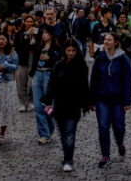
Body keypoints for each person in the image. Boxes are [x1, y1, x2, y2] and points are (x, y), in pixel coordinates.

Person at [41, 40, 90, 173]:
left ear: (77, 51)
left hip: (74, 104)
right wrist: (48, 100)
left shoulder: (81, 66)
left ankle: (68, 159)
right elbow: (52, 83)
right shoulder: (58, 65)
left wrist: (87, 103)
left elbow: (85, 86)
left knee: (70, 133)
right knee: (63, 133)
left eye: (73, 51)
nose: (71, 53)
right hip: (59, 104)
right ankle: (67, 155)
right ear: (65, 51)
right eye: (68, 51)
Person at [90, 32, 131, 168]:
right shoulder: (99, 58)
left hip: (118, 99)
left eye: (109, 40)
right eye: (105, 40)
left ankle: (120, 142)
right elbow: (93, 80)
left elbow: (127, 81)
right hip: (102, 98)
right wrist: (91, 99)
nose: (106, 42)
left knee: (119, 126)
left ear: (116, 42)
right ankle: (105, 155)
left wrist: (127, 101)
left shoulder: (123, 58)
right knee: (103, 127)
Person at [30, 25, 62, 145]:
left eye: (46, 33)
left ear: (51, 35)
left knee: (49, 106)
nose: (44, 35)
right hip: (37, 75)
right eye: (43, 33)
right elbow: (27, 45)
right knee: (38, 106)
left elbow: (60, 63)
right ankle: (44, 134)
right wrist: (30, 35)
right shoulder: (39, 46)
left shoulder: (57, 48)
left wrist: (50, 58)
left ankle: (50, 127)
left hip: (49, 76)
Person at [14, 14, 38, 112]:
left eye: (31, 22)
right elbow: (18, 47)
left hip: (34, 59)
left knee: (32, 83)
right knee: (21, 82)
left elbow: (38, 45)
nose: (29, 23)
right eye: (27, 21)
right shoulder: (20, 34)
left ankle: (31, 101)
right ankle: (23, 103)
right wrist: (27, 35)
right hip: (22, 60)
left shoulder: (37, 33)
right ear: (24, 22)